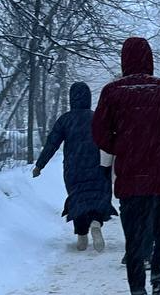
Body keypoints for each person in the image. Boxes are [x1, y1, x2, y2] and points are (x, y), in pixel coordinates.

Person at [92, 36, 160, 295]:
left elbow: (99, 133)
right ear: (150, 59)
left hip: (130, 176)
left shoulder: (112, 93)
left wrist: (120, 146)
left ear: (124, 60)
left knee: (134, 238)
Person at [33, 82, 116, 251]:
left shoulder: (65, 120)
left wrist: (39, 165)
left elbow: (52, 143)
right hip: (97, 165)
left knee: (78, 198)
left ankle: (81, 235)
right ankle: (96, 223)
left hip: (74, 167)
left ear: (72, 98)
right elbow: (110, 141)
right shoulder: (97, 117)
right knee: (97, 197)